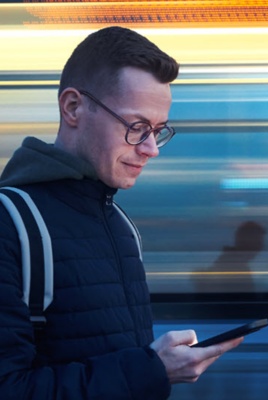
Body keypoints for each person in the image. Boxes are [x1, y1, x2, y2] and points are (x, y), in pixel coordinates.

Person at [0, 26, 242, 400]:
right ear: (73, 107)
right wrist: (152, 369)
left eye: (158, 130)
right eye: (136, 127)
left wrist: (155, 368)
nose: (151, 149)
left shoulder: (122, 226)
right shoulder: (11, 224)